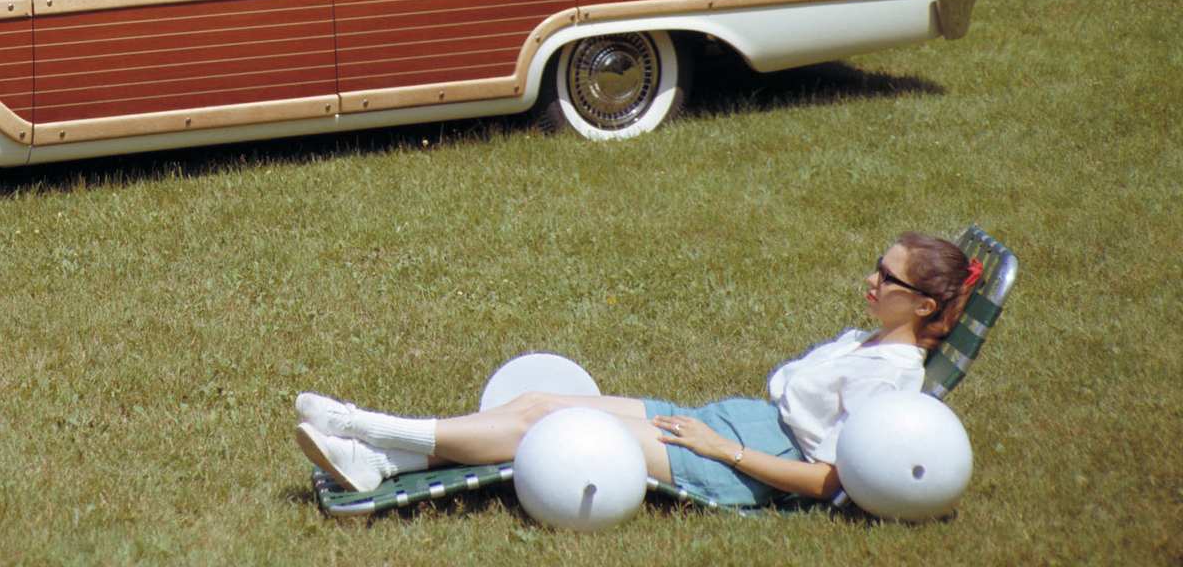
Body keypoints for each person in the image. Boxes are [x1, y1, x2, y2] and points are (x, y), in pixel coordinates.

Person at [293, 232, 983, 510]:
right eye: (877, 266)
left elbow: (834, 480)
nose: (870, 280)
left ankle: (368, 431)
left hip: (739, 462)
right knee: (543, 400)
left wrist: (722, 450)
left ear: (923, 305)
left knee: (544, 428)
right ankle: (376, 460)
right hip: (730, 422)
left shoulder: (892, 383)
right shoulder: (874, 341)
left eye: (886, 277)